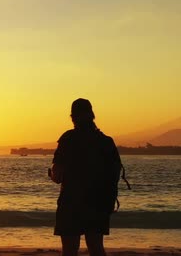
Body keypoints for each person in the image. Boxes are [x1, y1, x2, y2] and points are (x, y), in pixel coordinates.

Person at [50, 98, 122, 256]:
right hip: (98, 203)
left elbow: (57, 176)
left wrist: (52, 174)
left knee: (69, 250)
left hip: (71, 203)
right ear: (92, 115)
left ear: (72, 117)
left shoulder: (68, 139)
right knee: (96, 248)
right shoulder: (106, 141)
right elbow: (114, 174)